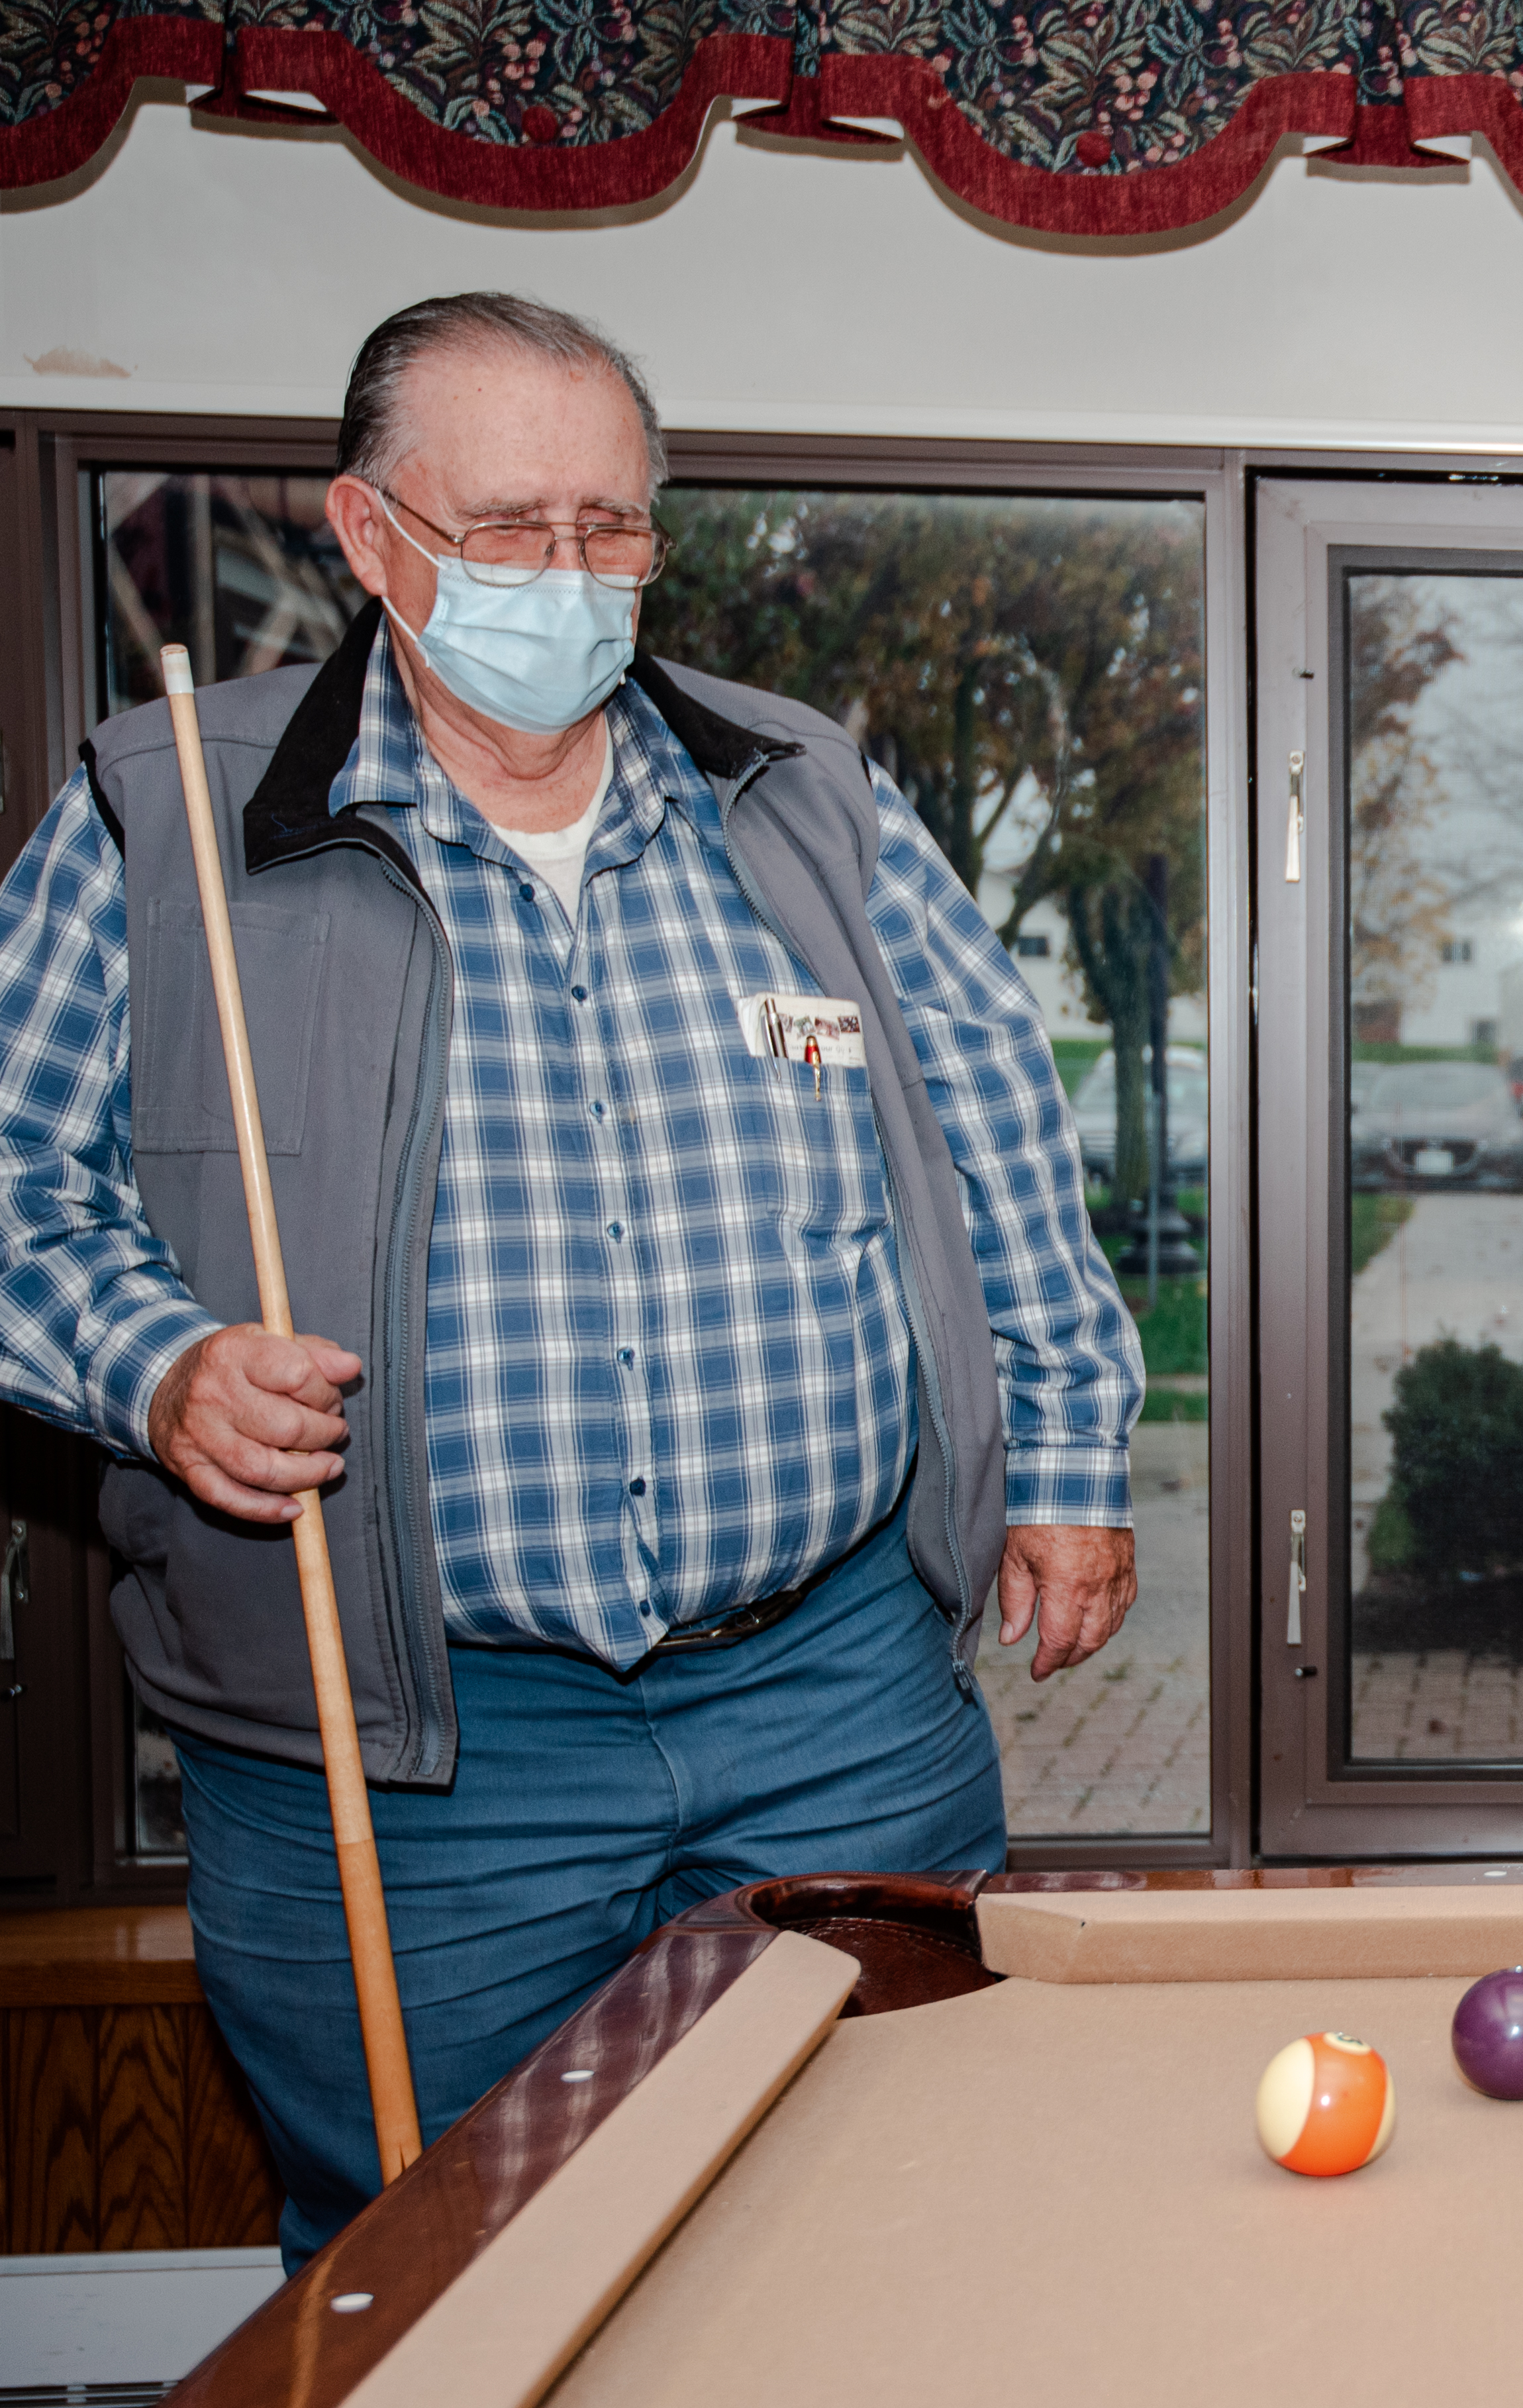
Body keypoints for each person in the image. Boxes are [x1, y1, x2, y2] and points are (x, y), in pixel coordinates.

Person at [0, 294, 1144, 2263]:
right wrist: (161, 1363)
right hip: (414, 1739)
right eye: (510, 525)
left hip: (834, 1689)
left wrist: (1068, 1456)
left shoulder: (804, 800)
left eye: (614, 526)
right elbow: (17, 1184)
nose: (573, 574)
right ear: (369, 535)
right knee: (444, 2256)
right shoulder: (164, 809)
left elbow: (998, 1139)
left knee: (895, 2220)